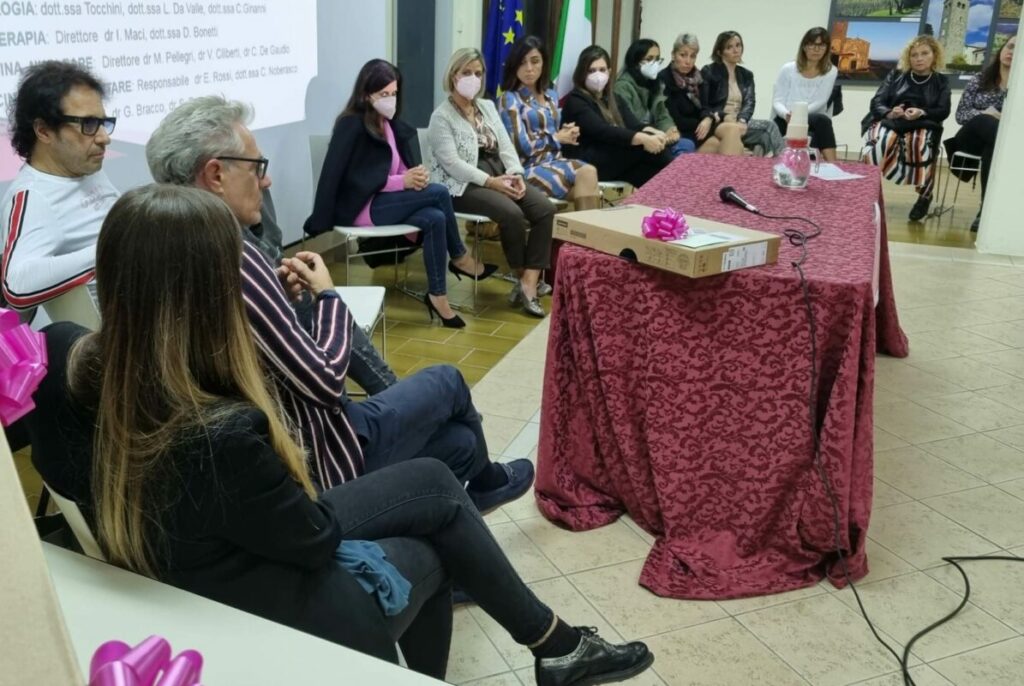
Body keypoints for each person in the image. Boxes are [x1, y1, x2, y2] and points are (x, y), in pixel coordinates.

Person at [26, 183, 655, 685]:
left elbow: (61, 469)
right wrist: (321, 306)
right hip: (257, 592)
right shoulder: (224, 433)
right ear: (212, 294)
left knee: (437, 479)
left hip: (172, 559)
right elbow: (310, 538)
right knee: (435, 533)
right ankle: (542, 648)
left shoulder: (63, 356)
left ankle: (555, 644)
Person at [146, 96, 533, 512]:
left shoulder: (172, 250)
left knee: (459, 442)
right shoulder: (234, 259)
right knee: (449, 383)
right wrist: (327, 295)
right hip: (322, 450)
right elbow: (326, 381)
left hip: (291, 437)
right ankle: (457, 480)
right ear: (215, 174)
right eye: (257, 168)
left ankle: (449, 497)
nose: (267, 181)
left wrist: (280, 297)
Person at [307, 59, 497, 329]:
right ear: (366, 94)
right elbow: (355, 179)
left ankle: (438, 295)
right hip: (361, 207)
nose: (390, 99)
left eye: (394, 93)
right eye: (383, 94)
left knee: (434, 217)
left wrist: (414, 176)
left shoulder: (387, 124)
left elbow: (396, 167)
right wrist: (403, 182)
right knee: (439, 193)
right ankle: (460, 257)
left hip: (384, 202)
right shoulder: (351, 124)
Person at [428, 48, 555, 318]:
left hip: (498, 173)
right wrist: (491, 182)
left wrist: (516, 174)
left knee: (545, 209)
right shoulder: (441, 117)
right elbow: (453, 164)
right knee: (512, 214)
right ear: (453, 75)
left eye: (478, 73)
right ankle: (525, 281)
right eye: (466, 72)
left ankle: (529, 280)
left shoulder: (485, 106)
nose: (473, 78)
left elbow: (505, 145)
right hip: (461, 185)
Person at [0, 60, 118, 318]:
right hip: (116, 330)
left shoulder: (85, 168)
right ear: (44, 131)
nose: (104, 137)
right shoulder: (33, 196)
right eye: (88, 124)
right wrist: (114, 249)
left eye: (102, 122)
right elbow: (17, 288)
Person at [497, 36, 601, 209]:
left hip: (556, 162)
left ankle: (582, 227)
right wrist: (557, 138)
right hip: (527, 169)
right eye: (522, 62)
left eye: (535, 61)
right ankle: (587, 227)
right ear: (514, 65)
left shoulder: (551, 96)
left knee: (589, 180)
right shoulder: (509, 99)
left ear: (543, 63)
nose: (529, 68)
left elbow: (553, 133)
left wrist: (567, 132)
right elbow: (520, 147)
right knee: (587, 174)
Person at [861, 34, 950, 221]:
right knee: (882, 142)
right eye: (914, 55)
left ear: (934, 55)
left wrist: (922, 112)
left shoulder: (941, 81)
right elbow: (877, 102)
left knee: (918, 143)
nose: (919, 58)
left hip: (923, 123)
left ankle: (924, 195)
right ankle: (867, 193)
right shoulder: (896, 75)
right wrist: (890, 112)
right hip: (891, 121)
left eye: (924, 53)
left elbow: (943, 111)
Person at [560, 45, 674, 187]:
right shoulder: (576, 100)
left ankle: (671, 196)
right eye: (591, 71)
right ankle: (683, 187)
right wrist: (643, 138)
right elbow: (602, 131)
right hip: (587, 162)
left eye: (602, 70)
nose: (598, 75)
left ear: (609, 72)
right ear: (582, 73)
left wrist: (656, 133)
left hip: (611, 157)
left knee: (650, 171)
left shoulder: (613, 97)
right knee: (643, 148)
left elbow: (634, 125)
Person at [946, 34, 1015, 231]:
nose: (1012, 52)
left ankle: (985, 210)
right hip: (969, 139)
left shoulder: (1020, 87)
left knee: (992, 147)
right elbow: (961, 115)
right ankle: (992, 209)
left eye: (1019, 50)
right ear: (1002, 49)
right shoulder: (979, 79)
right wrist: (986, 113)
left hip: (995, 144)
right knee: (986, 121)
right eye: (1010, 46)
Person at [701, 31, 784, 157]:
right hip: (720, 121)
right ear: (719, 52)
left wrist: (742, 119)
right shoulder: (709, 71)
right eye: (729, 47)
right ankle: (784, 161)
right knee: (769, 127)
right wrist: (723, 116)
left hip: (739, 120)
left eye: (738, 45)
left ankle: (767, 164)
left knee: (765, 136)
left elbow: (750, 101)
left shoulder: (746, 75)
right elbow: (704, 104)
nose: (736, 50)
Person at [659, 33, 745, 155]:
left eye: (692, 56)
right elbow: (675, 119)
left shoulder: (698, 77)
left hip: (701, 129)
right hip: (682, 132)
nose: (688, 61)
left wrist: (709, 118)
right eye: (683, 55)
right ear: (673, 55)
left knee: (733, 130)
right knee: (731, 143)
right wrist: (706, 121)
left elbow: (707, 106)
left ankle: (728, 168)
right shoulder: (664, 78)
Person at [614, 38, 695, 157]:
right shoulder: (622, 86)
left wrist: (670, 130)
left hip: (657, 136)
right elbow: (628, 124)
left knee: (687, 144)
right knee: (681, 150)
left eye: (657, 59)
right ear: (635, 62)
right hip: (638, 139)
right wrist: (657, 135)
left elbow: (663, 115)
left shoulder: (655, 83)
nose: (655, 63)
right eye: (649, 59)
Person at [772, 27, 839, 162]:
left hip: (812, 117)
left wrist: (799, 114)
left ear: (827, 49)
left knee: (822, 121)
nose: (816, 49)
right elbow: (777, 100)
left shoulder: (831, 71)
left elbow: (821, 100)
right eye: (812, 44)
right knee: (777, 127)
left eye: (821, 45)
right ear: (804, 47)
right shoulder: (788, 69)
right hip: (786, 117)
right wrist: (786, 114)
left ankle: (833, 165)